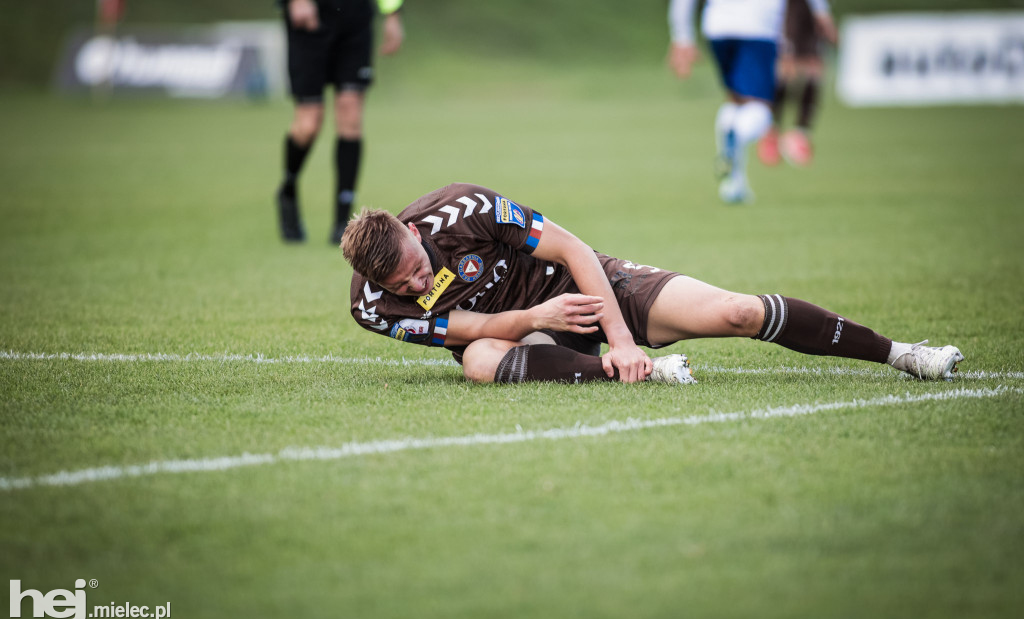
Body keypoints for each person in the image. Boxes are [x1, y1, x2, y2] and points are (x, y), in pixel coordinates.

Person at [341, 183, 964, 384]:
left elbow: (574, 249)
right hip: (525, 333)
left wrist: (617, 333)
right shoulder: (374, 307)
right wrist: (539, 318)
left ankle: (900, 353)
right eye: (409, 281)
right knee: (477, 361)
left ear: (408, 226)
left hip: (587, 286)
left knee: (739, 313)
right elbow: (474, 329)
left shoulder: (464, 208)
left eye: (419, 260)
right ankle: (635, 375)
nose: (421, 277)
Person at [255, 0, 404, 244]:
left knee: (351, 114)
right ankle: (288, 189)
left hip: (355, 8)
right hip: (307, 4)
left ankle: (343, 225)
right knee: (309, 124)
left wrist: (392, 9)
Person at [667, 0, 836, 204]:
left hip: (717, 26)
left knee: (736, 101)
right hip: (759, 26)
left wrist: (682, 37)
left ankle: (734, 185)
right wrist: (821, 11)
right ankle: (734, 140)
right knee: (761, 111)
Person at [758, 0, 832, 167]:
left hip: (808, 6)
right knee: (783, 71)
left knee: (813, 70)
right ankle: (771, 133)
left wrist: (822, 13)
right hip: (781, 3)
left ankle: (801, 132)